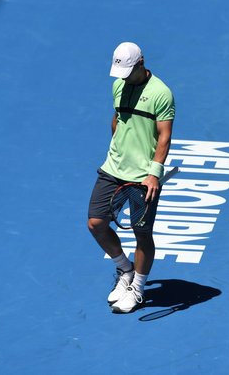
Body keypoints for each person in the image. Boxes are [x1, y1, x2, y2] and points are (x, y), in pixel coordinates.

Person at [87, 42, 175, 313]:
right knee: (95, 223)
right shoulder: (118, 85)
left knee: (141, 233)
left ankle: (137, 288)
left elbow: (164, 136)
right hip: (113, 169)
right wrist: (118, 151)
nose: (123, 77)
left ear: (141, 63)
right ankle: (125, 270)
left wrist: (153, 173)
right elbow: (117, 120)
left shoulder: (161, 93)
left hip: (143, 177)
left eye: (128, 71)